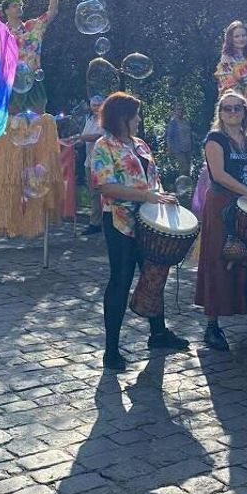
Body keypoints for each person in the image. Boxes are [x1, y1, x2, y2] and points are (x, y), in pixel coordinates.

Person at [90, 92, 188, 372]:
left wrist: (162, 197)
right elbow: (103, 187)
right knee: (120, 280)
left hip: (148, 221)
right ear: (122, 117)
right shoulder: (103, 145)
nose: (139, 120)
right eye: (136, 115)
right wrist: (147, 197)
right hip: (120, 221)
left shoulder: (141, 144)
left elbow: (151, 182)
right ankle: (111, 349)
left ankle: (158, 333)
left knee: (153, 276)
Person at [195, 91, 247, 350]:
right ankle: (212, 326)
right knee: (220, 258)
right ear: (220, 113)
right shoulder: (215, 139)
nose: (232, 113)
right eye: (227, 109)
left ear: (245, 112)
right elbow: (220, 175)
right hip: (223, 206)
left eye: (237, 108)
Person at [1, 0, 60, 113]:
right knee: (12, 117)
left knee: (39, 113)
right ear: (6, 11)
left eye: (20, 5)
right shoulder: (1, 32)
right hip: (13, 79)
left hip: (34, 76)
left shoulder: (32, 26)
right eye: (15, 5)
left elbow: (52, 11)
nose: (19, 8)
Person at [214, 20, 247, 105]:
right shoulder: (227, 59)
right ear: (230, 39)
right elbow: (228, 86)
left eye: (243, 35)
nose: (241, 39)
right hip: (236, 104)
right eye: (237, 36)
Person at [77, 95, 106, 235]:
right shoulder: (89, 119)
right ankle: (96, 222)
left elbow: (97, 137)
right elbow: (84, 138)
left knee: (102, 192)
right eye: (93, 105)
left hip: (101, 161)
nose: (96, 108)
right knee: (93, 193)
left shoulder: (106, 120)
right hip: (89, 160)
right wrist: (72, 143)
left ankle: (100, 221)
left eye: (98, 105)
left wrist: (79, 137)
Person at [164, 103, 194, 178]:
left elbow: (190, 133)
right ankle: (181, 186)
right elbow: (169, 136)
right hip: (178, 148)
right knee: (184, 168)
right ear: (175, 111)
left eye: (181, 109)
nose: (180, 111)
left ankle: (188, 185)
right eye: (178, 109)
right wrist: (169, 148)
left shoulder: (186, 120)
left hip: (188, 147)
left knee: (189, 168)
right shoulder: (173, 123)